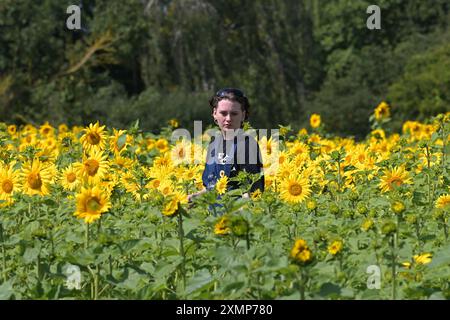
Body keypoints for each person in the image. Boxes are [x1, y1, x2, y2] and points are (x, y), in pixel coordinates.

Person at [188, 88, 264, 204]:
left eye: (234, 114)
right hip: (214, 219)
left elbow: (252, 194)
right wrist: (195, 197)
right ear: (214, 113)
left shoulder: (248, 146)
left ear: (243, 115)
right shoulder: (214, 144)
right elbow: (211, 187)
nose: (228, 119)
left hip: (236, 219)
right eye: (223, 113)